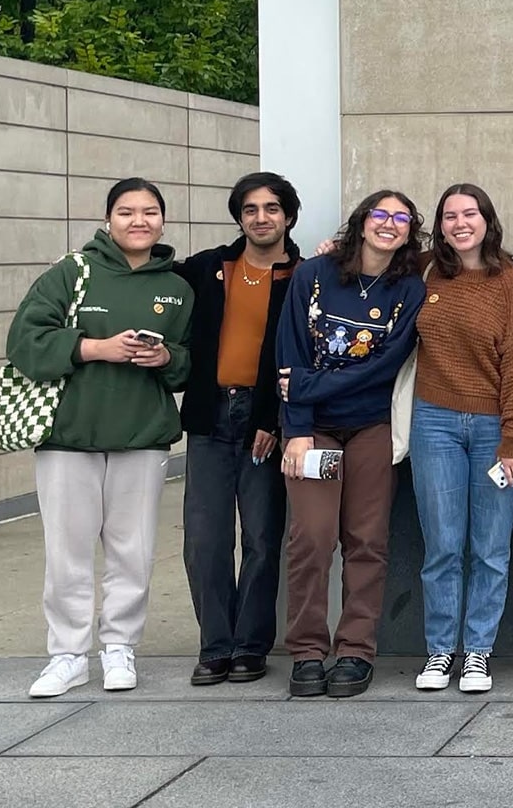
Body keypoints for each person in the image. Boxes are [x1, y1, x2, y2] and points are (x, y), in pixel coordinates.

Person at [10, 178, 192, 698]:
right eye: (127, 211)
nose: (139, 221)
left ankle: (119, 648)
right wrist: (94, 348)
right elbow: (26, 340)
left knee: (132, 550)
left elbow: (189, 363)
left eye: (150, 212)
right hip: (69, 435)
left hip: (143, 434)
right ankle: (67, 655)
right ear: (108, 219)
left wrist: (165, 358)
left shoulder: (177, 288)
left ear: (163, 220)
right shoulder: (73, 272)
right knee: (66, 550)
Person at [276, 189, 427, 698]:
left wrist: (307, 385)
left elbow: (383, 368)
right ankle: (307, 651)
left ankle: (356, 649)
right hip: (312, 430)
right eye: (379, 214)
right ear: (361, 222)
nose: (389, 223)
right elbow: (290, 353)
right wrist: (296, 427)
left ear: (410, 230)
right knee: (312, 539)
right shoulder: (312, 275)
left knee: (367, 540)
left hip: (370, 427)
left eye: (400, 217)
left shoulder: (409, 290)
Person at [410, 184, 513, 694]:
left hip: (495, 429)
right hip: (434, 423)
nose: (460, 223)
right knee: (442, 546)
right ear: (440, 225)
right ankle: (441, 652)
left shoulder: (509, 281)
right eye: (450, 215)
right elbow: (370, 261)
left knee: (490, 548)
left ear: (488, 220)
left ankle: (478, 654)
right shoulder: (423, 271)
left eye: (470, 213)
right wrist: (334, 249)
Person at [175, 172, 302, 688]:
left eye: (272, 208)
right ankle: (215, 645)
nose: (261, 218)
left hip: (264, 421)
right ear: (239, 218)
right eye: (251, 209)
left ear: (287, 216)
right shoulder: (210, 268)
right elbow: (148, 274)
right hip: (210, 413)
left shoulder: (304, 275)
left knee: (262, 537)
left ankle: (250, 645)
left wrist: (273, 419)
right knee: (204, 539)